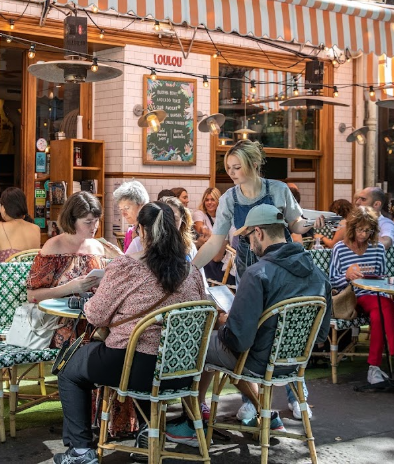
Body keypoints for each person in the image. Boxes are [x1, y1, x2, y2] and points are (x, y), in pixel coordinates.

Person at [164, 204, 331, 445]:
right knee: (220, 344)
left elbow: (238, 340)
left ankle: (192, 424)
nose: (250, 244)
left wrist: (225, 321)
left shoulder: (258, 273)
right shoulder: (318, 274)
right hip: (295, 363)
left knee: (199, 343)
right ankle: (264, 413)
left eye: (249, 237)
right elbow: (322, 333)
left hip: (257, 360)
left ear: (259, 233)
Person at [54, 202, 207, 464]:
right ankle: (149, 430)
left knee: (69, 371)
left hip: (134, 367)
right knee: (137, 355)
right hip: (181, 373)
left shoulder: (126, 267)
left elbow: (96, 315)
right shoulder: (191, 271)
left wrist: (89, 302)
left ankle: (80, 451)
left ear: (141, 231)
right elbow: (206, 311)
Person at [192, 140, 315, 278]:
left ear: (254, 165)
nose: (231, 172)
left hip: (281, 261)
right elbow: (214, 242)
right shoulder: (228, 199)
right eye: (228, 167)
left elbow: (295, 224)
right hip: (247, 264)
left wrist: (313, 222)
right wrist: (191, 270)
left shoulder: (279, 189)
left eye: (237, 167)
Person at [328, 207, 394, 384]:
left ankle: (374, 368)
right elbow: (332, 282)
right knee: (387, 305)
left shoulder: (377, 248)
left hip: (376, 297)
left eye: (368, 230)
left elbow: (383, 277)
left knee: (380, 314)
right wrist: (347, 276)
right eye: (360, 229)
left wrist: (380, 282)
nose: (364, 234)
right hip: (352, 298)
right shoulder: (340, 249)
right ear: (352, 228)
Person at [27, 192, 112, 348]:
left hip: (93, 320)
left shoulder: (98, 247)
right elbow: (32, 296)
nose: (94, 227)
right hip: (57, 322)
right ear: (72, 221)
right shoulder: (54, 247)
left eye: (96, 221)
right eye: (88, 222)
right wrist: (70, 288)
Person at [0, 187, 41, 261]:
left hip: (10, 272)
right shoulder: (36, 228)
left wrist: (3, 254)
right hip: (33, 272)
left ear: (3, 208)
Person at [112, 181, 149, 253]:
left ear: (141, 205)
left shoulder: (151, 231)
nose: (123, 214)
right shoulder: (130, 232)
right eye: (121, 209)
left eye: (126, 208)